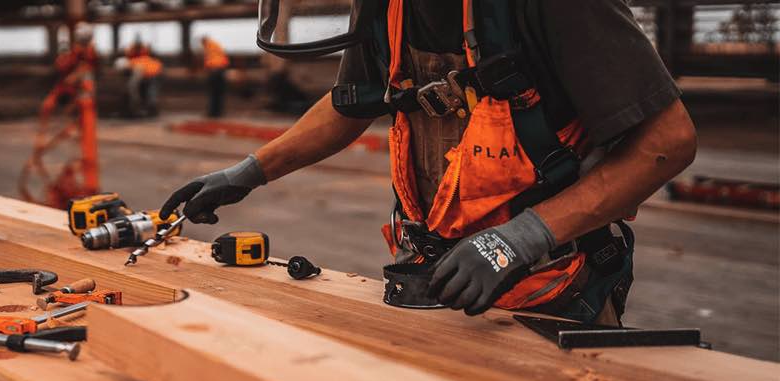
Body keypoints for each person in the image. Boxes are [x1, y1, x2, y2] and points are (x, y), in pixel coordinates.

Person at [159, 0, 696, 325]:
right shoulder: (389, 8)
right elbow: (355, 102)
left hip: (552, 291)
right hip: (437, 285)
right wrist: (248, 173)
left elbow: (667, 142)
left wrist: (522, 237)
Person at [201, 36, 230, 118]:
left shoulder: (209, 46)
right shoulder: (215, 45)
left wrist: (207, 69)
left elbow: (210, 60)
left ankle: (213, 113)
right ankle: (217, 112)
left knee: (214, 93)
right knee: (218, 93)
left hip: (215, 71)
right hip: (220, 70)